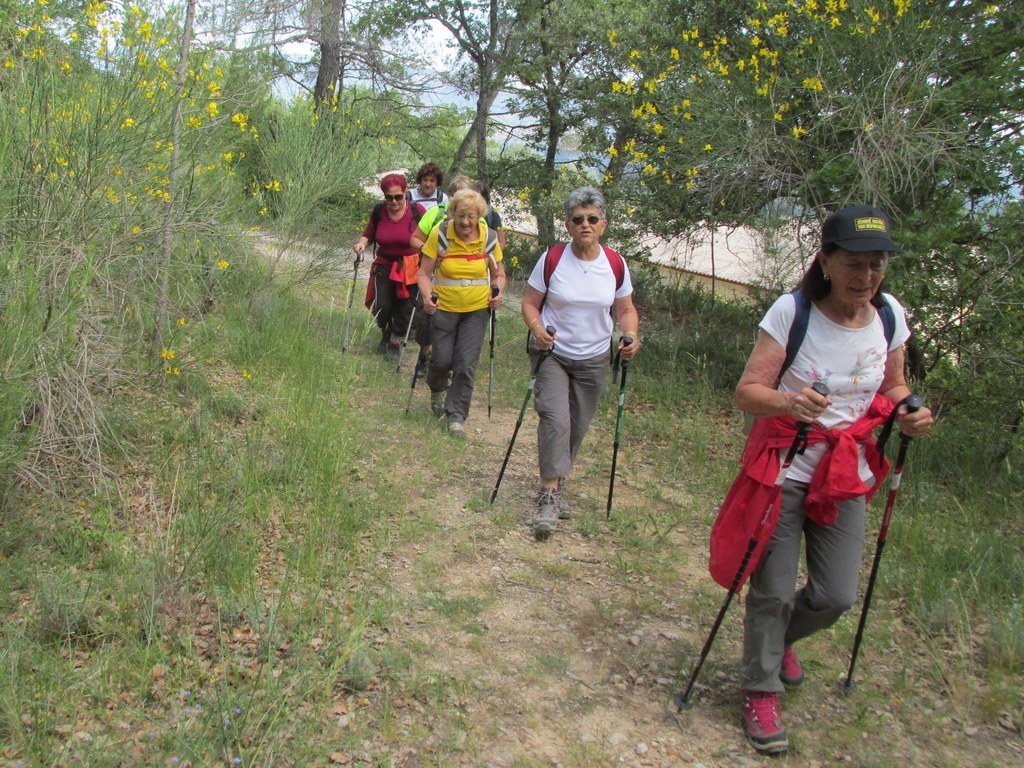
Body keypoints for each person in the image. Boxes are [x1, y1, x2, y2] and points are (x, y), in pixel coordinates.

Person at [729, 205, 934, 755]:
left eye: (877, 264)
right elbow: (748, 391)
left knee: (837, 594)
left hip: (846, 470)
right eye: (855, 263)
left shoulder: (889, 315)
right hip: (784, 465)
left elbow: (892, 385)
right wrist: (790, 403)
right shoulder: (792, 313)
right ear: (825, 260)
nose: (867, 276)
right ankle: (759, 686)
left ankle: (776, 645)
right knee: (770, 589)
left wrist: (909, 409)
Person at [520, 186, 639, 540]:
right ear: (568, 225)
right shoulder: (553, 259)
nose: (585, 224)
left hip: (595, 358)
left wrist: (630, 337)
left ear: (603, 224)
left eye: (592, 219)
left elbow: (626, 309)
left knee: (577, 425)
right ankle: (549, 495)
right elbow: (529, 303)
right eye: (577, 219)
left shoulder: (615, 264)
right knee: (555, 420)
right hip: (553, 353)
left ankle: (558, 484)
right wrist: (538, 328)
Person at [417, 189, 506, 437]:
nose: (465, 221)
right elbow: (423, 273)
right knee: (441, 361)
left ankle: (456, 416)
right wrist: (427, 297)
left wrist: (498, 293)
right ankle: (436, 389)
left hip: (476, 311)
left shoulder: (488, 237)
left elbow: (499, 273)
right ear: (452, 213)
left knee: (466, 364)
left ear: (480, 215)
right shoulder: (441, 234)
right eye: (460, 215)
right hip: (443, 307)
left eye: (471, 216)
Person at [353, 174, 426, 359]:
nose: (393, 201)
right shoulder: (379, 211)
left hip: (409, 267)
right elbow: (369, 233)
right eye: (388, 197)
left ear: (405, 192)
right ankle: (386, 332)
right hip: (384, 265)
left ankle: (395, 340)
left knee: (404, 308)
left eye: (398, 197)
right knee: (381, 306)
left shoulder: (418, 211)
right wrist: (362, 243)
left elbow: (430, 235)